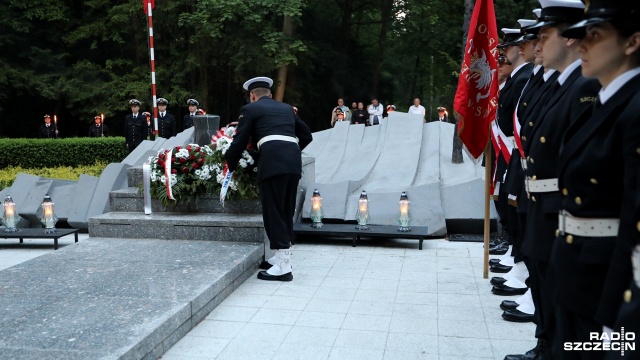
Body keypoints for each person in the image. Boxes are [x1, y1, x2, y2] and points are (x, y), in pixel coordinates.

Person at [546, 1, 640, 358]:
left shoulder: (633, 109)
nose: (581, 45)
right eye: (581, 35)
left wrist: (615, 316)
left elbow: (631, 218)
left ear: (632, 43)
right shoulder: (603, 102)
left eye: (595, 35)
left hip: (604, 285)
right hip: (575, 271)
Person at [225, 76, 312, 282]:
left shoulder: (251, 109)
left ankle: (284, 268)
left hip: (272, 163)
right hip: (292, 162)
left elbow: (239, 141)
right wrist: (289, 150)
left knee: (273, 211)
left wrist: (230, 164)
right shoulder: (286, 109)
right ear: (271, 95)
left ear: (252, 96)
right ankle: (280, 257)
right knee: (285, 210)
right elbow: (307, 135)